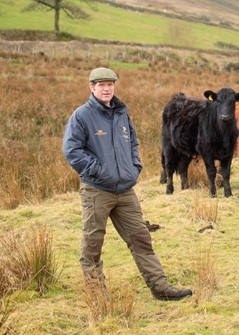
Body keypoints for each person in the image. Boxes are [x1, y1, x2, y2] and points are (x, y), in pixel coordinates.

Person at [62, 67, 192, 301]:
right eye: (101, 84)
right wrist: (98, 172)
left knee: (141, 239)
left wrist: (134, 168)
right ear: (91, 87)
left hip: (125, 190)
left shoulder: (122, 114)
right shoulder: (82, 116)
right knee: (92, 244)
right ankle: (98, 298)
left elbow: (133, 143)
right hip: (97, 191)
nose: (106, 88)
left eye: (110, 84)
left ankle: (161, 289)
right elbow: (72, 150)